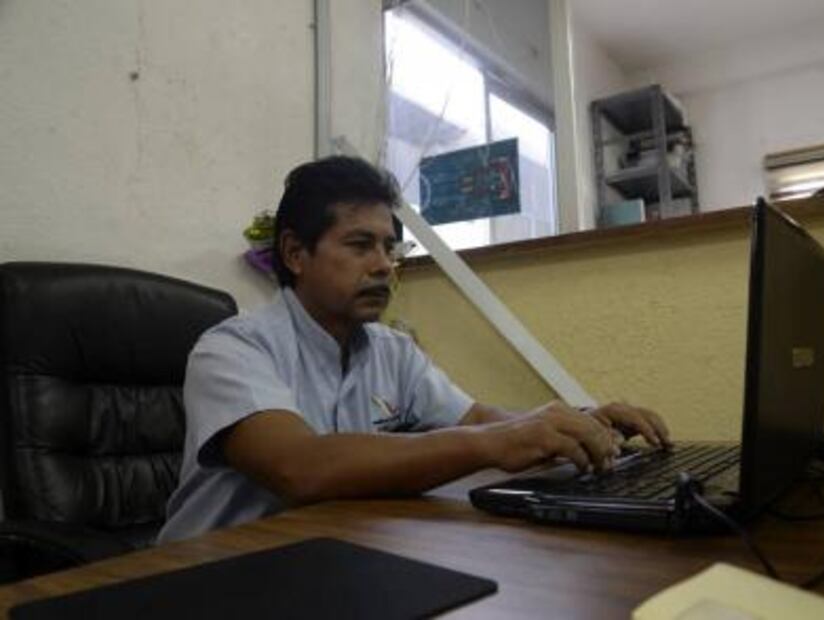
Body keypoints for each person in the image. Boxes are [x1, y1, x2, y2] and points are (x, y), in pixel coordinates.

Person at [157, 156, 670, 543]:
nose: (384, 265)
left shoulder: (390, 350)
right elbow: (302, 467)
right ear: (294, 253)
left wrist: (569, 425)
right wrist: (500, 440)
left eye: (390, 247)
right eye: (360, 246)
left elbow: (477, 418)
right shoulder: (231, 349)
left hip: (328, 562)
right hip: (210, 578)